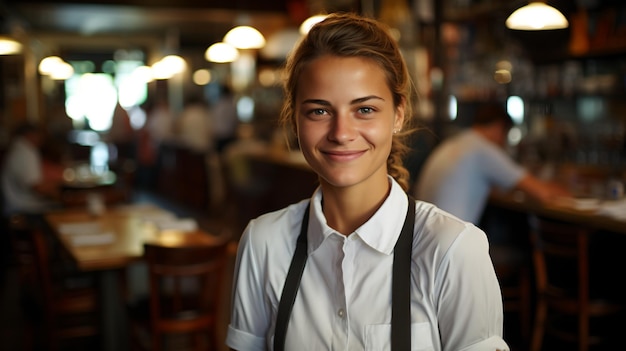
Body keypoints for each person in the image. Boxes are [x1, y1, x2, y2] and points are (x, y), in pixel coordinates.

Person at [226, 13, 509, 351]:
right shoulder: (264, 243)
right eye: (319, 111)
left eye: (364, 110)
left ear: (398, 114)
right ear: (294, 118)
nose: (342, 133)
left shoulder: (452, 249)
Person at [414, 102, 571, 225]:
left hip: (425, 241)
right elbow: (542, 193)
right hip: (450, 249)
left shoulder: (455, 143)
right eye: (505, 135)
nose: (503, 143)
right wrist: (567, 191)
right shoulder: (483, 149)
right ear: (498, 128)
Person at [1, 122, 63, 216]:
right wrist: (61, 187)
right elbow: (36, 187)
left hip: (15, 205)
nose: (41, 139)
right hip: (23, 208)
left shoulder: (17, 148)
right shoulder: (26, 152)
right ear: (31, 134)